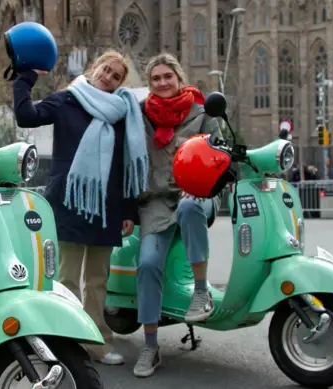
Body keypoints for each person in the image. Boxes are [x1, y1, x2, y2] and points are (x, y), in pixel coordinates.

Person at [13, 50, 149, 365]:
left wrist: (129, 210)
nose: (109, 77)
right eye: (106, 70)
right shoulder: (67, 100)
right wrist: (25, 79)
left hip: (107, 206)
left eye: (116, 76)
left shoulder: (122, 112)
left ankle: (98, 343)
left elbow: (125, 165)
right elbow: (26, 116)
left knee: (98, 282)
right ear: (95, 67)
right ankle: (63, 343)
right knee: (66, 280)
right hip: (69, 201)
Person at [133, 53, 224, 378]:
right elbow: (130, 160)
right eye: (155, 78)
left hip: (197, 194)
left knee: (189, 206)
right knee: (146, 265)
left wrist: (201, 184)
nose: (162, 83)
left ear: (179, 77)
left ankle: (201, 292)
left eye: (167, 76)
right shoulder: (141, 116)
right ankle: (150, 346)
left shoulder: (201, 113)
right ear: (150, 84)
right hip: (156, 201)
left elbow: (222, 154)